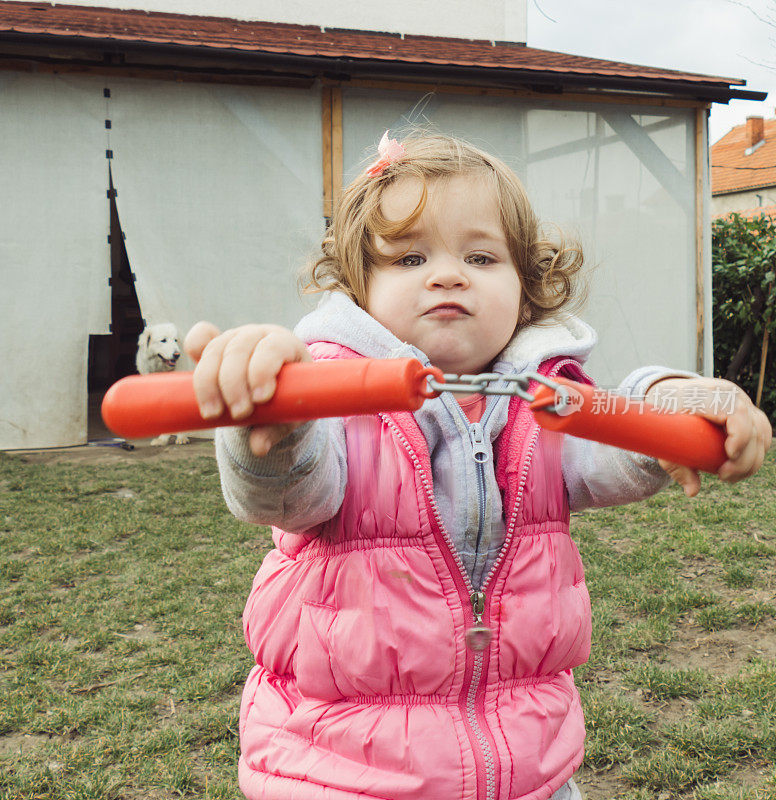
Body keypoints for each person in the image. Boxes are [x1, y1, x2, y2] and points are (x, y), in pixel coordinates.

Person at [185, 133, 771, 800]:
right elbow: (282, 499)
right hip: (348, 772)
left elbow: (616, 440)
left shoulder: (542, 400)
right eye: (410, 256)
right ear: (359, 289)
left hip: (525, 770)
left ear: (526, 292)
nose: (447, 274)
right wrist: (278, 426)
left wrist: (673, 399)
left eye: (481, 256)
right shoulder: (332, 395)